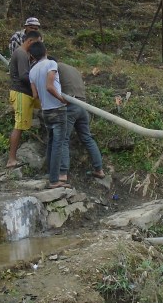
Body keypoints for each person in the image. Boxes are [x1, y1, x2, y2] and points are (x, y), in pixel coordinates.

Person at [28, 41, 68, 188]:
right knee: (58, 144)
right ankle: (54, 180)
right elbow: (50, 86)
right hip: (57, 109)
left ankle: (50, 174)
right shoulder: (51, 63)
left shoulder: (32, 71)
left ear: (32, 55)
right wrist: (62, 99)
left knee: (52, 143)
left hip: (46, 111)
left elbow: (35, 94)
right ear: (45, 50)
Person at [57, 61, 106, 182]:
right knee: (87, 138)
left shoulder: (54, 67)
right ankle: (99, 170)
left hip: (70, 106)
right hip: (83, 106)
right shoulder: (73, 68)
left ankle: (62, 173)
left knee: (63, 139)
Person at [6, 29, 41, 168]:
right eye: (36, 43)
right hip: (21, 92)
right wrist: (38, 81)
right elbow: (24, 76)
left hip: (27, 92)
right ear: (30, 41)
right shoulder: (21, 53)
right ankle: (11, 159)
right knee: (19, 125)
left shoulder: (26, 54)